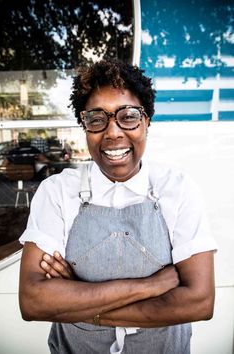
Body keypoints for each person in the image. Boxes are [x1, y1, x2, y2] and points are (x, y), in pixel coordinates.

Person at [19, 59, 217, 354]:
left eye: (128, 116)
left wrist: (75, 302)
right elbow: (33, 301)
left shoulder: (178, 190)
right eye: (97, 119)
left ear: (146, 120)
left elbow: (200, 302)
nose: (112, 133)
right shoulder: (57, 192)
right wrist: (150, 286)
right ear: (84, 126)